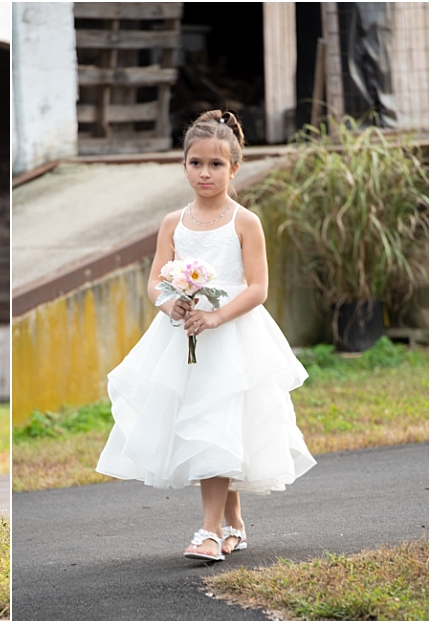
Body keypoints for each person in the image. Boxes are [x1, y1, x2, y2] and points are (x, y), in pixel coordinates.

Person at [96, 111, 316, 561]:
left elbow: (258, 288)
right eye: (196, 163)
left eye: (216, 164)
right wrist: (168, 302)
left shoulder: (244, 222)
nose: (205, 173)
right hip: (181, 338)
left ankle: (209, 532)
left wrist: (216, 318)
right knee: (205, 427)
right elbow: (156, 278)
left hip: (232, 339)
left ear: (234, 168)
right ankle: (233, 525)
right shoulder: (172, 222)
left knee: (214, 423)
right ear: (184, 165)